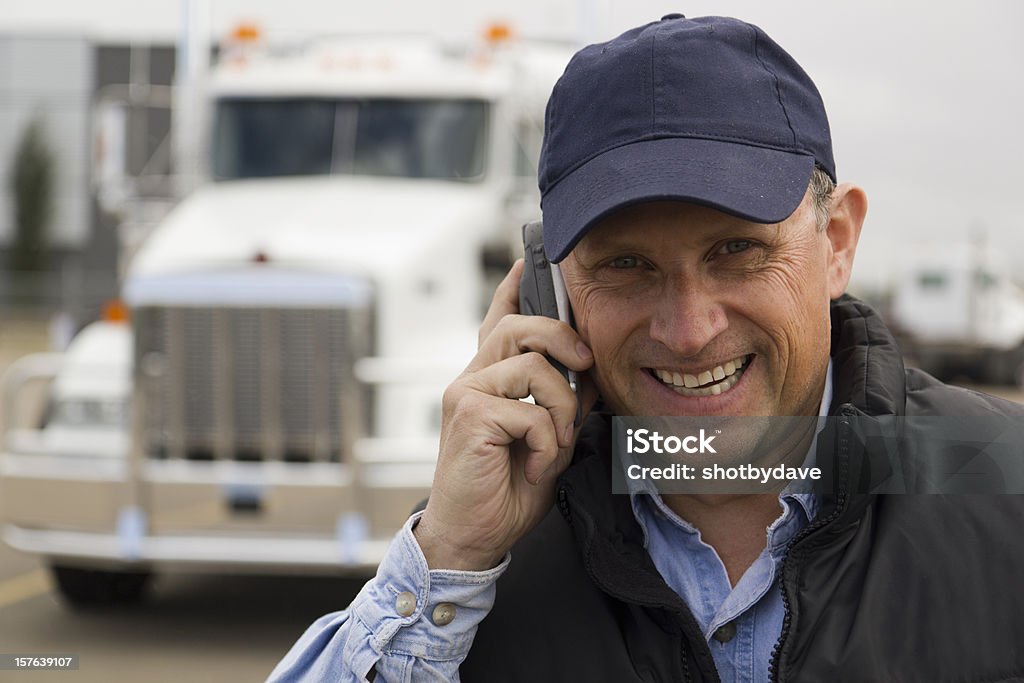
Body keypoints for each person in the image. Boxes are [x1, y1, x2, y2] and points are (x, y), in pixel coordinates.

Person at [270, 15, 1024, 682]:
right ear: (549, 289)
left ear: (836, 243)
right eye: (627, 265)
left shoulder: (1001, 488)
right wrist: (448, 559)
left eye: (737, 250)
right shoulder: (479, 557)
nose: (689, 329)